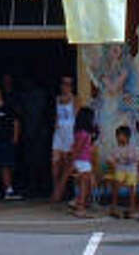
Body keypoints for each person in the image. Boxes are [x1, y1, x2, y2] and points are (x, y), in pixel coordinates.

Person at [49, 75, 76, 204]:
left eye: (68, 84)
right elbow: (56, 116)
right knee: (55, 162)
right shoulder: (58, 99)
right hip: (59, 132)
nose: (65, 86)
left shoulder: (75, 99)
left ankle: (62, 191)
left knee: (66, 162)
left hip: (69, 132)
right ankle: (56, 189)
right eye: (64, 83)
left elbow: (76, 116)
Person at [106, 124, 139, 218]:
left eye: (120, 136)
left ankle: (132, 208)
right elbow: (109, 160)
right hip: (120, 170)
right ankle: (114, 206)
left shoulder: (134, 148)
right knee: (116, 183)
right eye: (117, 136)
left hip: (131, 171)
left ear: (127, 137)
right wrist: (113, 164)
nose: (118, 138)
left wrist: (138, 167)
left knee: (132, 186)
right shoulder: (115, 149)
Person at [70, 107, 97, 218]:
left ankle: (80, 204)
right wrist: (73, 161)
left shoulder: (79, 132)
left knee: (84, 185)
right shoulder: (84, 134)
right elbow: (79, 148)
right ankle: (80, 208)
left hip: (82, 161)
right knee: (84, 186)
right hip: (83, 162)